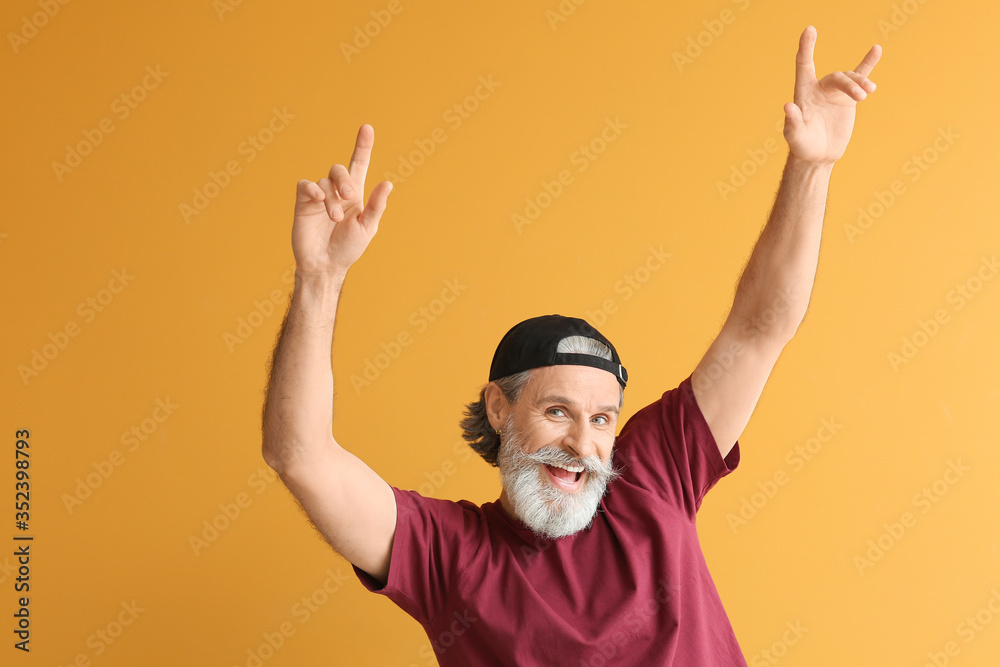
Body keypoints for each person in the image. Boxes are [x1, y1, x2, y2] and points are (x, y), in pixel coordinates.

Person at [261, 25, 881, 666]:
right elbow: (300, 454)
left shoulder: (655, 476)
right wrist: (320, 279)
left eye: (602, 419)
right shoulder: (449, 554)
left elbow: (760, 326)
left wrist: (811, 168)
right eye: (557, 411)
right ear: (499, 410)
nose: (583, 444)